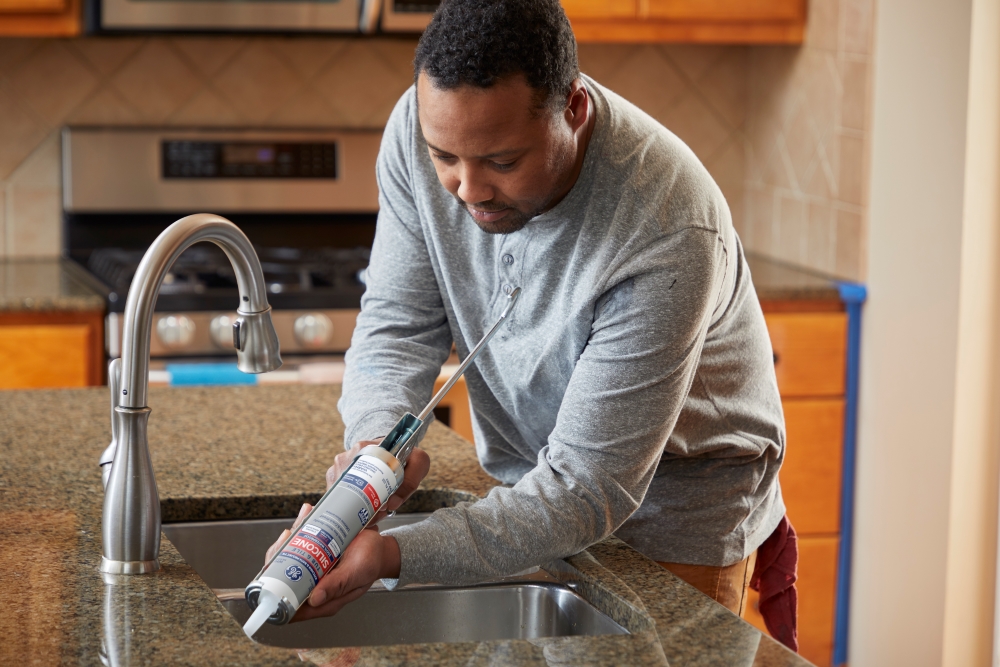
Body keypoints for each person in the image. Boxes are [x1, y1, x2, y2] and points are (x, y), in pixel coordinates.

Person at [271, 0, 789, 627]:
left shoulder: (668, 225)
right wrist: (375, 455)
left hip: (674, 525)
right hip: (522, 491)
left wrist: (389, 553)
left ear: (572, 108)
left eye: (503, 162)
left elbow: (585, 488)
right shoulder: (416, 128)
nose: (468, 189)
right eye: (445, 158)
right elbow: (399, 320)